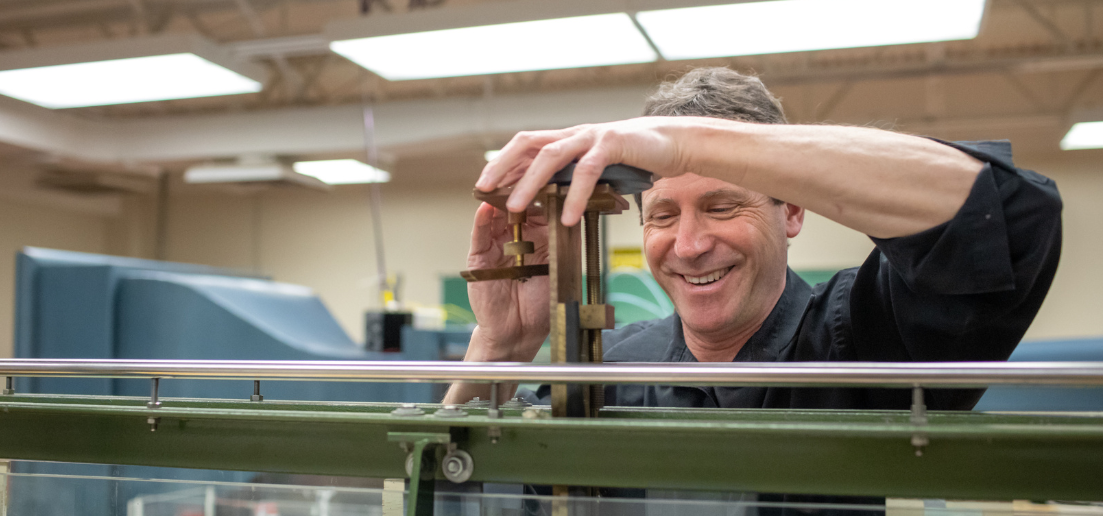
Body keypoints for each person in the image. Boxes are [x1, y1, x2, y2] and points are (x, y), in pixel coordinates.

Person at [444, 67, 1062, 411]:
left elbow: (1010, 217)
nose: (687, 245)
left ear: (791, 211)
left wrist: (683, 141)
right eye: (662, 215)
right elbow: (468, 494)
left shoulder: (870, 339)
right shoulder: (606, 368)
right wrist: (503, 346)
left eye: (722, 205)